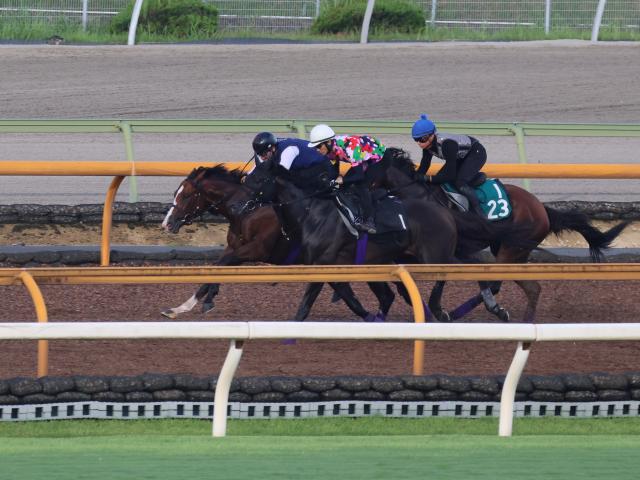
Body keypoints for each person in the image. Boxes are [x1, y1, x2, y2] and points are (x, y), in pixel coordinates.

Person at [307, 124, 387, 235]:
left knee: (361, 186)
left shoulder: (349, 148)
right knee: (342, 185)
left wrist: (342, 180)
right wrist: (333, 182)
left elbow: (359, 176)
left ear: (328, 142)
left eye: (318, 146)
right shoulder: (330, 151)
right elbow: (335, 170)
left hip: (378, 158)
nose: (317, 150)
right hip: (363, 159)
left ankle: (370, 221)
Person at [411, 114, 487, 217]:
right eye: (416, 140)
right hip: (460, 156)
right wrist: (413, 179)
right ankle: (474, 178)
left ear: (432, 135)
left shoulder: (447, 145)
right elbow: (424, 166)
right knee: (440, 180)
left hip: (476, 153)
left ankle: (480, 213)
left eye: (422, 139)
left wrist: (426, 178)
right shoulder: (427, 147)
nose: (420, 143)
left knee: (459, 182)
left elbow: (449, 175)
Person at [250, 132, 335, 191]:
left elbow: (280, 174)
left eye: (264, 154)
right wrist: (247, 177)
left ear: (272, 148)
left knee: (290, 181)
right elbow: (260, 167)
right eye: (259, 154)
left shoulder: (288, 150)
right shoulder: (270, 150)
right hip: (304, 168)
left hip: (321, 166)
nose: (262, 157)